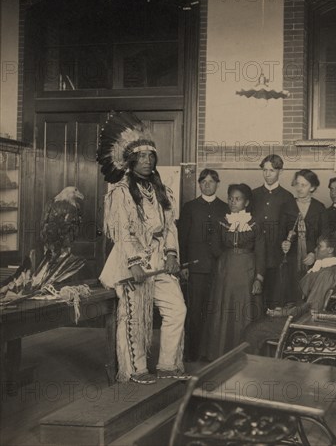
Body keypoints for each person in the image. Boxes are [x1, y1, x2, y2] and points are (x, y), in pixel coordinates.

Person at [97, 112, 188, 384]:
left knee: (177, 309)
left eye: (151, 157)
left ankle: (167, 364)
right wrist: (134, 262)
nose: (147, 161)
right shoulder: (121, 192)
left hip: (160, 261)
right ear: (131, 160)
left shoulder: (162, 191)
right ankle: (136, 369)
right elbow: (122, 233)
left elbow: (170, 226)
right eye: (142, 157)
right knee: (134, 316)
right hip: (132, 264)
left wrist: (172, 255)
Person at [243, 232, 336, 355]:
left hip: (303, 323)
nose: (315, 250)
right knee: (258, 326)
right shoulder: (325, 268)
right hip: (301, 316)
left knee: (252, 331)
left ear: (330, 250)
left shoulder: (327, 274)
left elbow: (311, 307)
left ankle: (252, 371)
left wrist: (283, 313)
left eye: (319, 247)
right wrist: (286, 309)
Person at [206, 184, 266, 360]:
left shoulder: (255, 223)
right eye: (230, 198)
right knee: (224, 311)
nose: (233, 202)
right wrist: (228, 257)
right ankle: (220, 354)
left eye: (237, 199)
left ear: (246, 202)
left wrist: (259, 278)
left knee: (243, 313)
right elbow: (215, 249)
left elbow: (261, 253)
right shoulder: (221, 222)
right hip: (225, 272)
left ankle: (243, 355)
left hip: (247, 272)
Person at [177, 169, 229, 361]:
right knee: (194, 311)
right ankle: (192, 353)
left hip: (218, 268)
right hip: (196, 268)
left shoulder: (224, 208)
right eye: (203, 181)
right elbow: (182, 238)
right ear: (199, 184)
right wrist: (184, 265)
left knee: (213, 310)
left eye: (211, 181)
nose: (207, 185)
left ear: (217, 184)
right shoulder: (190, 207)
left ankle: (210, 352)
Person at [279, 169, 328, 305]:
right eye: (297, 184)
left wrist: (314, 254)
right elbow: (279, 234)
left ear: (312, 187)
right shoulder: (287, 206)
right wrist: (283, 243)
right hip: (291, 260)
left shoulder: (319, 208)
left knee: (309, 298)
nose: (299, 188)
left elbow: (324, 236)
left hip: (312, 260)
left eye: (304, 185)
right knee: (291, 296)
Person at [252, 155, 294, 308]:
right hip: (254, 254)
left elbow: (292, 226)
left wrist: (288, 240)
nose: (267, 174)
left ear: (280, 171)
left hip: (275, 254)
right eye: (265, 170)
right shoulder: (253, 195)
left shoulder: (287, 197)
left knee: (272, 296)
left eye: (272, 170)